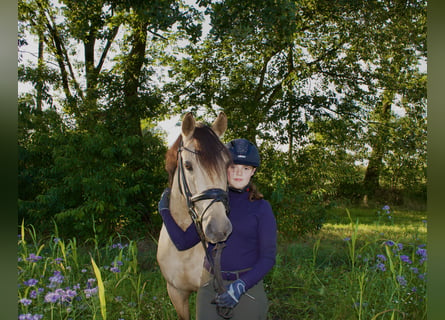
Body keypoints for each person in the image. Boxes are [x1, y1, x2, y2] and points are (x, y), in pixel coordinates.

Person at [158, 138, 277, 319]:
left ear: (253, 172)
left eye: (245, 168)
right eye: (233, 167)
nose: (238, 173)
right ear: (223, 168)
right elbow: (183, 243)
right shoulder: (214, 206)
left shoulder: (261, 208)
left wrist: (240, 286)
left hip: (246, 286)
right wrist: (165, 212)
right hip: (210, 286)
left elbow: (268, 258)